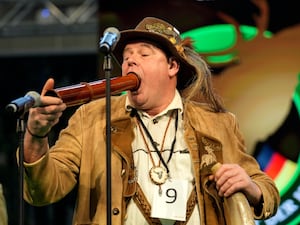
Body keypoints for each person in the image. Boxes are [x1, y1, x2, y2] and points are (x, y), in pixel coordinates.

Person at [19, 17, 279, 225]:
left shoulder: (218, 124)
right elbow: (43, 191)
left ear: (172, 67)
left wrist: (250, 186)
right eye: (127, 56)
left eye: (144, 54)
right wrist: (37, 135)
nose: (130, 60)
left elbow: (267, 192)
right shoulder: (91, 117)